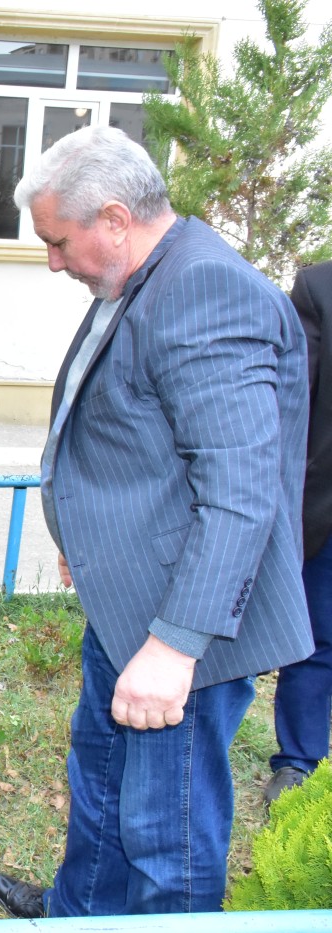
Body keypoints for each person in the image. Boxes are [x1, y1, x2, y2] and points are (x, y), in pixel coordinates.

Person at [0, 125, 311, 919]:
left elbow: (240, 490)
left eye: (59, 241)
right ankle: (82, 911)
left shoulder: (204, 289)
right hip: (128, 600)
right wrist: (87, 539)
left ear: (114, 218)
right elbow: (137, 441)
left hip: (180, 627)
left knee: (169, 828)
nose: (53, 261)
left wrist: (174, 648)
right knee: (99, 777)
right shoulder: (138, 278)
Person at [265, 259, 332, 805]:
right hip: (329, 510)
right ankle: (299, 763)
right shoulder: (321, 287)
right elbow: (291, 405)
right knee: (316, 639)